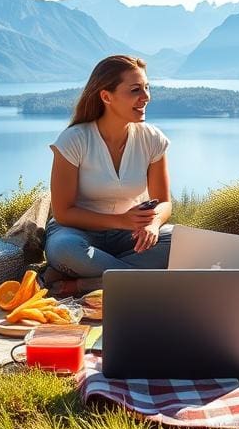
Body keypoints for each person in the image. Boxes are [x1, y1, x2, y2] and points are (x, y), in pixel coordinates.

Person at [44, 55, 173, 296]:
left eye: (147, 88)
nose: (146, 97)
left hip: (129, 235)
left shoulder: (152, 138)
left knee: (178, 242)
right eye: (135, 90)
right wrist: (121, 220)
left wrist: (153, 224)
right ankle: (144, 282)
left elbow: (164, 202)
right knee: (65, 249)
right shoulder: (74, 140)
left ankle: (87, 283)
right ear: (106, 97)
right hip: (77, 234)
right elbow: (63, 212)